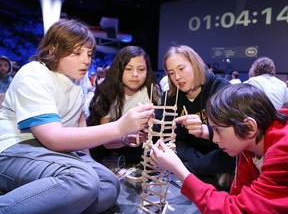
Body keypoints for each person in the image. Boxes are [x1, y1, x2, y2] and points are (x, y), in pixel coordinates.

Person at [0, 19, 154, 214]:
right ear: (53, 50)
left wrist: (108, 147)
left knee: (108, 185)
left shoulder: (79, 81)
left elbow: (80, 129)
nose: (86, 60)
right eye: (77, 53)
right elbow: (53, 138)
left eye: (89, 54)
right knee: (83, 180)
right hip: (16, 149)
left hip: (56, 154)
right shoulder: (35, 73)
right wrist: (119, 127)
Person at [150, 83, 288, 213]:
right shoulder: (248, 145)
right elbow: (238, 196)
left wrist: (178, 169)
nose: (215, 139)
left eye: (218, 130)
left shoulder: (282, 153)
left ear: (249, 127)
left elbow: (234, 210)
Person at [157, 45, 235, 176]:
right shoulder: (170, 97)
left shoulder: (221, 89)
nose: (177, 77)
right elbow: (163, 134)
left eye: (181, 69)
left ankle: (184, 169)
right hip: (190, 156)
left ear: (195, 65)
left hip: (219, 152)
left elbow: (234, 136)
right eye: (171, 73)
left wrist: (206, 131)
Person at [87, 45, 161, 163]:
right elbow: (105, 141)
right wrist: (124, 140)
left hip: (142, 153)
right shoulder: (107, 93)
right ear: (119, 69)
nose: (135, 74)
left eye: (141, 69)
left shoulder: (152, 91)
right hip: (108, 153)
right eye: (128, 68)